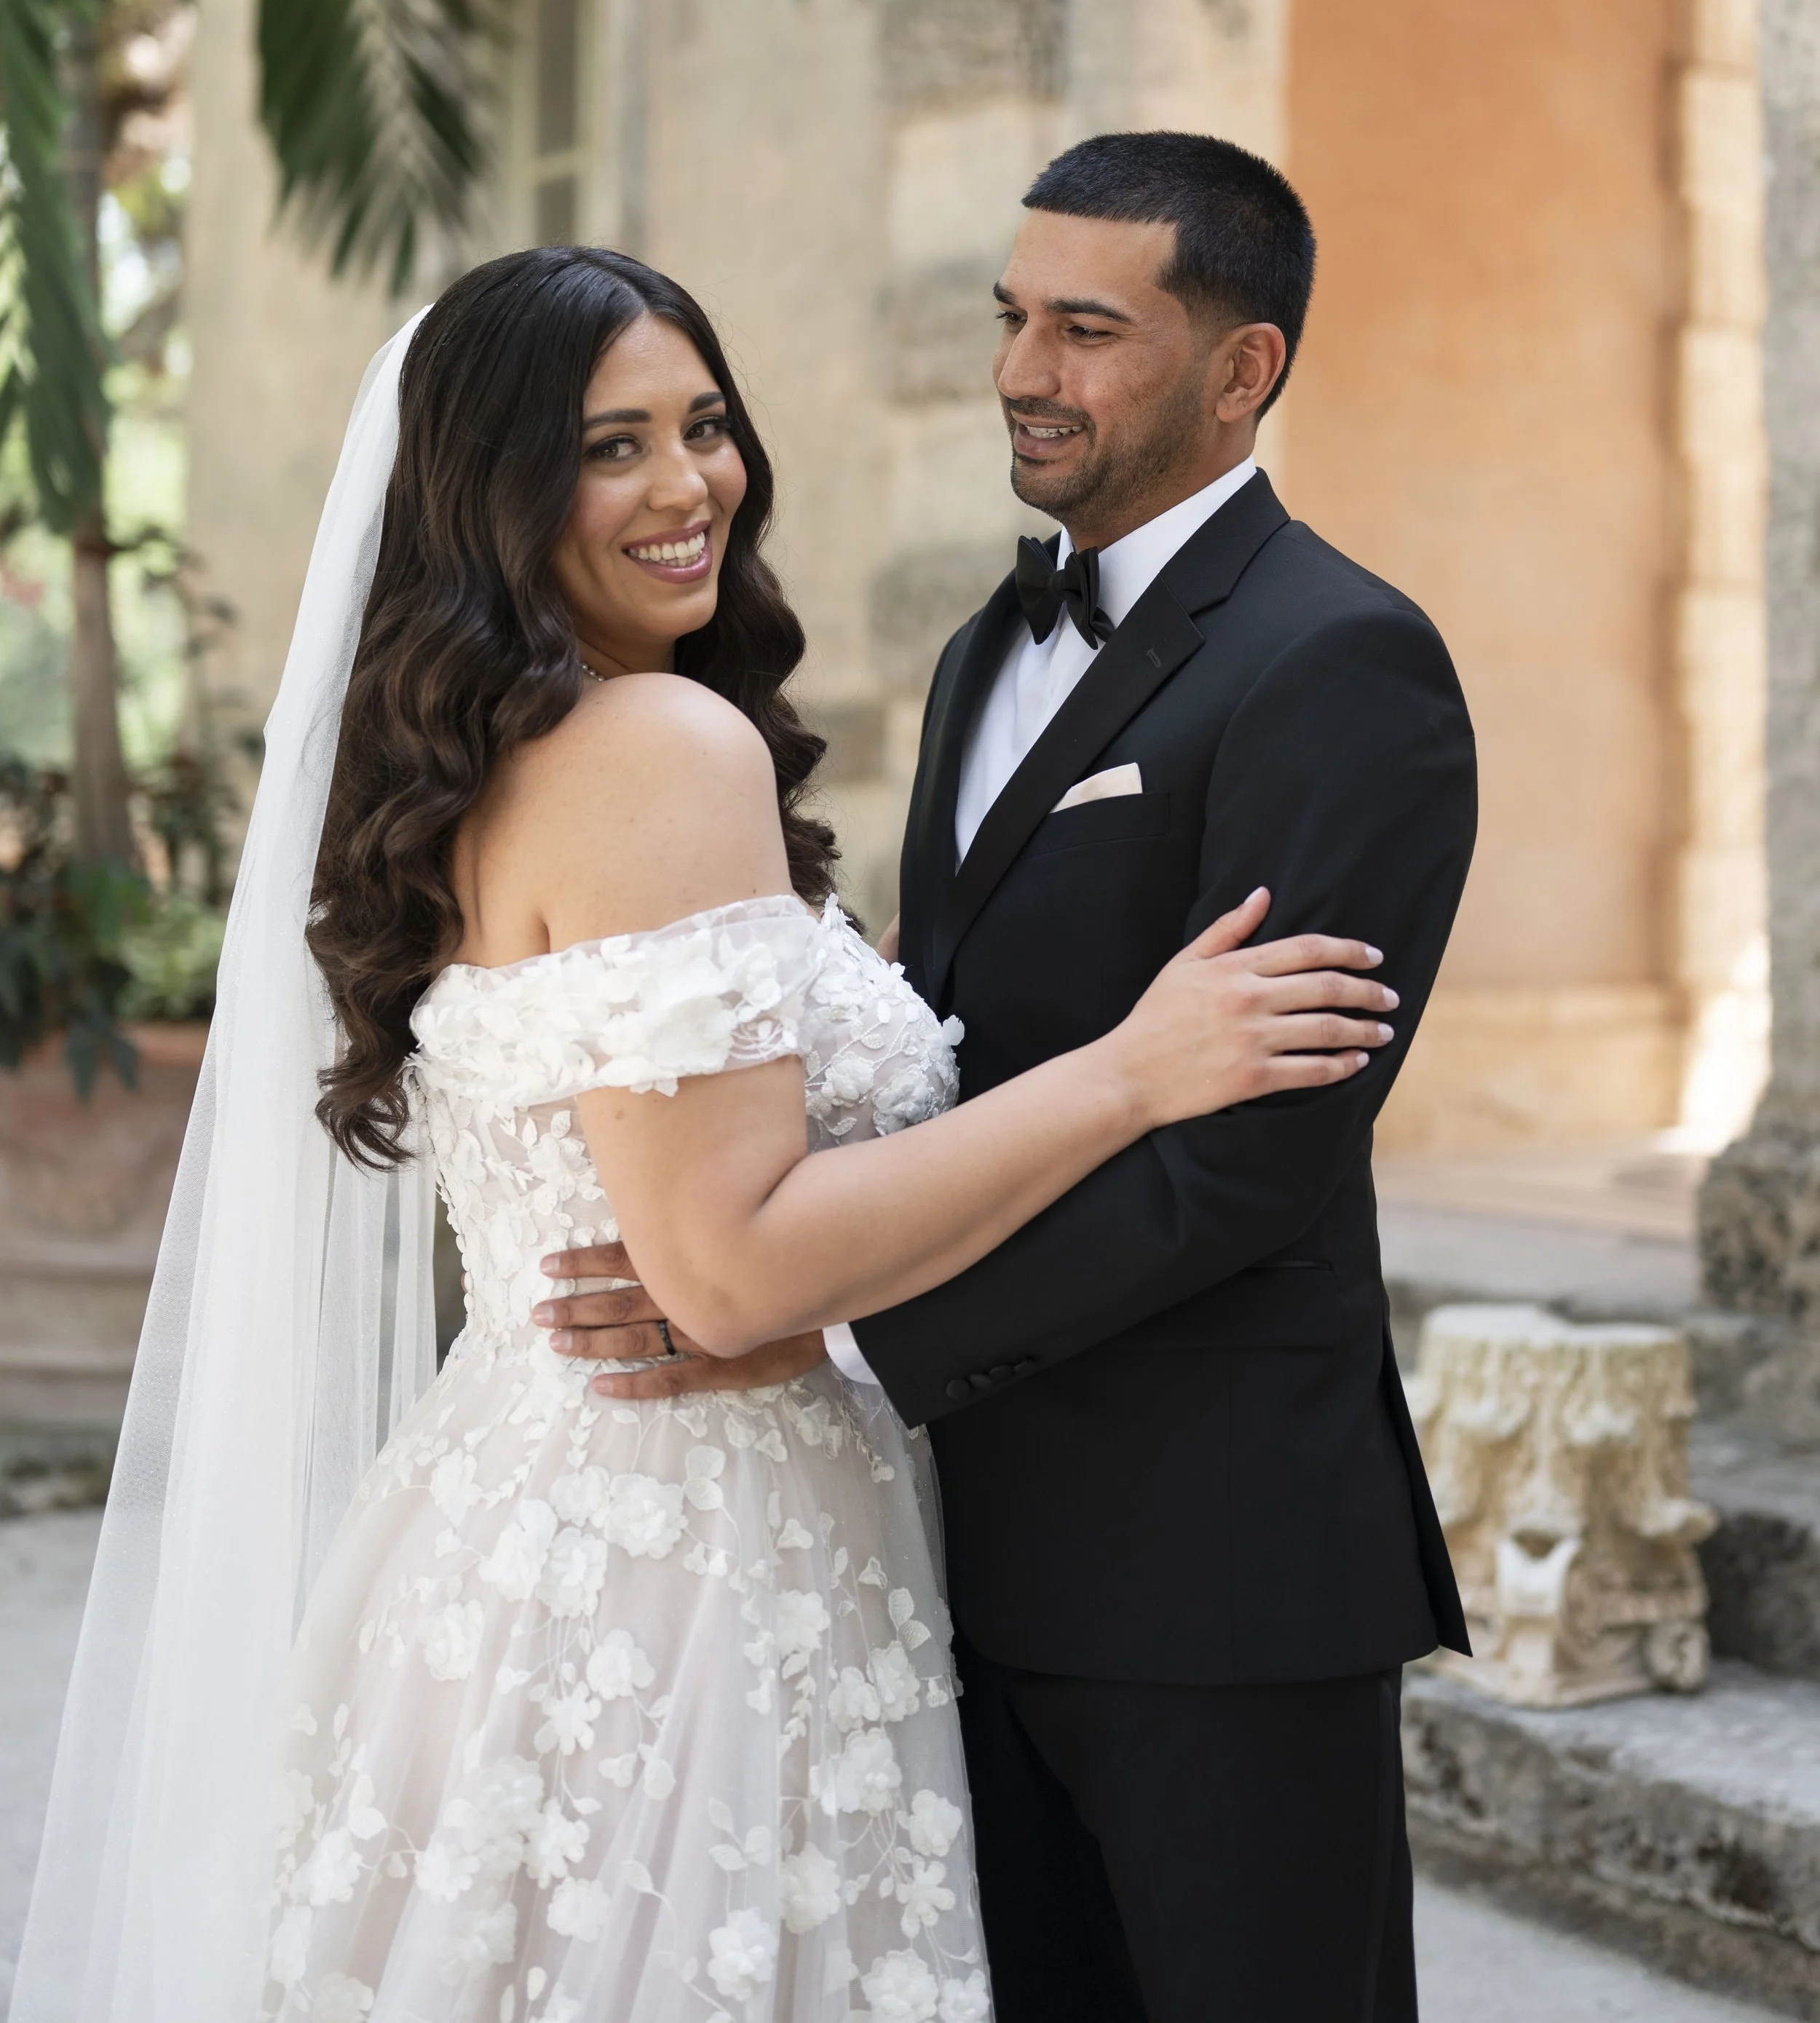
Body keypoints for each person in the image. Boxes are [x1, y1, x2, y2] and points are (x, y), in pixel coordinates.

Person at [15, 242, 1396, 2023]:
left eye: (704, 426)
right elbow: (729, 1271)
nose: (687, 487)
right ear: (492, 490)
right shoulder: (660, 748)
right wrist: (1132, 1069)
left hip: (528, 1514)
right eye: (610, 448)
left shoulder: (492, 753)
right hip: (686, 1564)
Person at [543, 139, 1479, 2023]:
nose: (1019, 372)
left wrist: (827, 1328)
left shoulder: (1341, 660)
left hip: (1209, 1557)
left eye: (1085, 331)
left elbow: (1248, 1164)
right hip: (942, 1550)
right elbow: (956, 1037)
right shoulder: (987, 646)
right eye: (1009, 317)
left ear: (1241, 369)